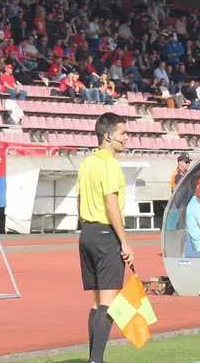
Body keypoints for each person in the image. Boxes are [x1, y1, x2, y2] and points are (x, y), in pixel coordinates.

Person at [77, 112, 132, 363]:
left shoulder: (87, 162)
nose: (127, 138)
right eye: (123, 133)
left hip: (87, 232)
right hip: (105, 233)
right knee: (108, 302)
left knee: (97, 300)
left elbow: (79, 199)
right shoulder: (110, 163)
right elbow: (111, 204)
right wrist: (124, 241)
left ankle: (94, 357)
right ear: (108, 136)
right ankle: (96, 360)